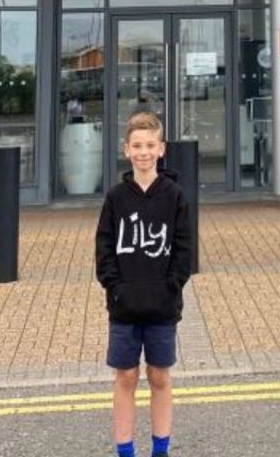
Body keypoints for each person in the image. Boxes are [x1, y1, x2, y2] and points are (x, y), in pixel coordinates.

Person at [95, 111, 194, 457]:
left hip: (162, 306)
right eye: (137, 145)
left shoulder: (175, 196)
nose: (143, 152)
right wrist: (115, 287)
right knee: (125, 378)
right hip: (124, 307)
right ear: (126, 149)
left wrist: (171, 287)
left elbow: (184, 252)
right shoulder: (116, 197)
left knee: (159, 377)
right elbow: (104, 248)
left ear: (161, 148)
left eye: (150, 145)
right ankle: (125, 450)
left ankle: (160, 449)